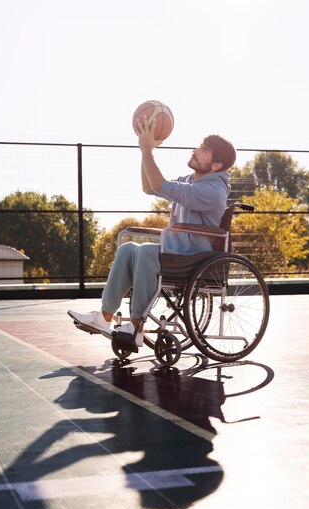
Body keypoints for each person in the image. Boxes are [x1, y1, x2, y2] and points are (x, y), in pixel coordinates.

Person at [68, 116, 236, 347]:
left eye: (203, 150)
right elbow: (149, 187)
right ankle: (104, 317)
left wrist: (147, 149)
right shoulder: (191, 180)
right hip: (178, 251)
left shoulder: (212, 190)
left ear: (216, 165)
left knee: (147, 252)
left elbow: (159, 185)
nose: (195, 151)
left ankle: (136, 326)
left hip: (194, 257)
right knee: (128, 249)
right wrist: (144, 151)